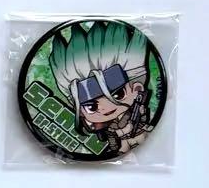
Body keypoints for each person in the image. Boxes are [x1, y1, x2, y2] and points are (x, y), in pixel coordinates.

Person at [49, 20, 152, 155]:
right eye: (91, 106)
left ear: (137, 89)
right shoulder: (109, 127)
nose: (104, 107)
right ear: (80, 112)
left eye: (118, 94)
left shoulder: (135, 114)